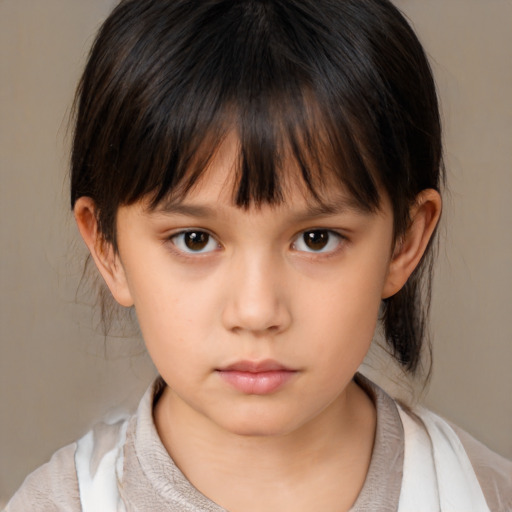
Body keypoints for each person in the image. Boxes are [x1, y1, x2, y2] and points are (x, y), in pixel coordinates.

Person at [5, 0, 511, 510]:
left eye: (317, 239)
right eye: (195, 239)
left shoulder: (484, 495)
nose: (256, 311)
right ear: (107, 247)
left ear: (404, 242)